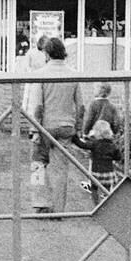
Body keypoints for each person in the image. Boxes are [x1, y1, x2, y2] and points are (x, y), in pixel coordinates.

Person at [29, 37, 85, 213]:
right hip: (66, 127)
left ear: (46, 53)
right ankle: (59, 209)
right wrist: (78, 128)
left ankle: (40, 202)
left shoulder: (41, 74)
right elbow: (81, 106)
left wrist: (35, 129)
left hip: (45, 127)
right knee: (61, 170)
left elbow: (38, 106)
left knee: (38, 164)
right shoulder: (73, 74)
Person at [75, 119, 121, 206]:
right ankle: (106, 204)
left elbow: (82, 145)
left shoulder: (95, 144)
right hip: (108, 172)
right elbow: (118, 157)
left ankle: (96, 204)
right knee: (107, 190)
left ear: (97, 132)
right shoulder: (112, 145)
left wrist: (74, 137)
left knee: (94, 188)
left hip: (96, 172)